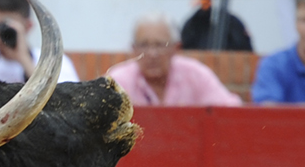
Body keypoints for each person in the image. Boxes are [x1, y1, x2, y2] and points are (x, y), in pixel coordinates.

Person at [103, 12, 243, 106]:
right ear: (133, 49)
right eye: (143, 45)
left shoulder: (196, 75)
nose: (152, 54)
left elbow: (231, 112)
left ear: (176, 48)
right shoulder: (117, 81)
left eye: (160, 45)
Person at [0, 0, 80, 89]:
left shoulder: (52, 61)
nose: (0, 32)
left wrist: (23, 59)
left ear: (28, 26)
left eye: (6, 26)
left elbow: (61, 101)